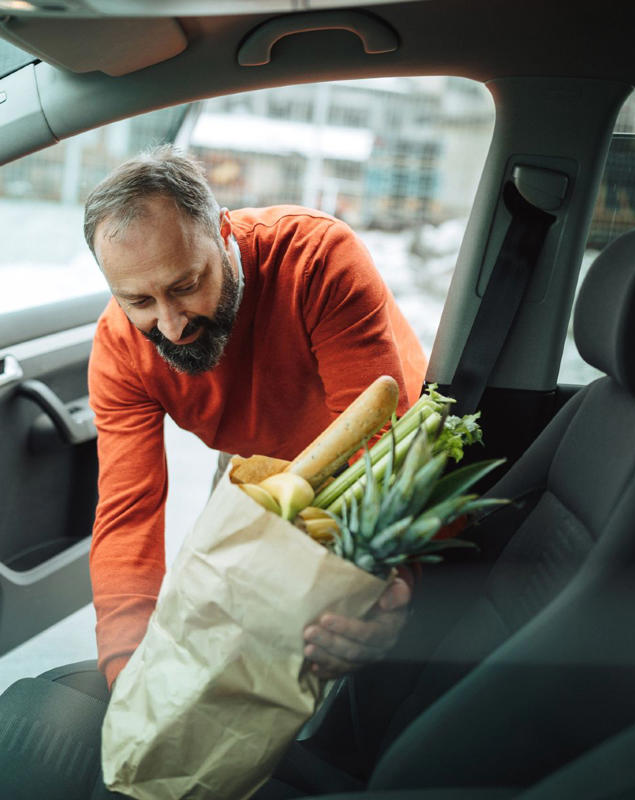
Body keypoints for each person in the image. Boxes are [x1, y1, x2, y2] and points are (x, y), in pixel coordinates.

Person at [85, 145, 428, 689]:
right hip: (261, 457)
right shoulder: (120, 349)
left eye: (185, 286)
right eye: (140, 301)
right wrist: (124, 670)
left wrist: (387, 592)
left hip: (382, 446)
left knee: (346, 636)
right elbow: (128, 514)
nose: (171, 326)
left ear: (223, 235)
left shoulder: (317, 258)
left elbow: (375, 447)